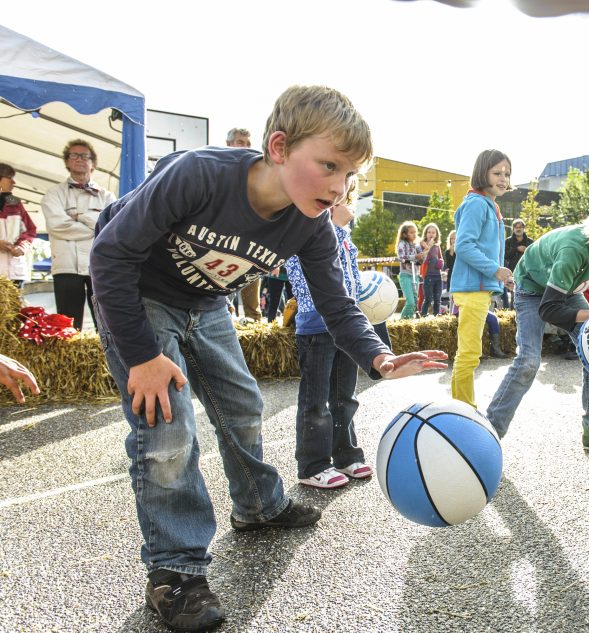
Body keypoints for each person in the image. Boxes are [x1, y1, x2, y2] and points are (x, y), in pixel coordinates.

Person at [89, 85, 447, 632]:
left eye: (349, 175)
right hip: (135, 291)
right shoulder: (198, 175)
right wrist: (141, 357)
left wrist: (379, 357)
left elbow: (334, 303)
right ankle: (174, 575)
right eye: (328, 164)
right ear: (279, 147)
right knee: (168, 430)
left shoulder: (312, 224)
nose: (339, 185)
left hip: (203, 299)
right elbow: (110, 253)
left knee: (241, 403)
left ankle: (258, 505)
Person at [486, 183, 589, 457]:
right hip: (532, 288)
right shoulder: (573, 249)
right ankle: (489, 430)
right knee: (528, 362)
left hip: (567, 290)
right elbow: (549, 310)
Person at [286, 194, 374, 489]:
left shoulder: (344, 236)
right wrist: (335, 227)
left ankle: (346, 455)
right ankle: (313, 465)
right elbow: (312, 271)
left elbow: (353, 281)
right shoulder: (304, 228)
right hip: (315, 324)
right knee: (316, 399)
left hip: (344, 326)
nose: (350, 205)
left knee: (344, 395)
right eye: (343, 199)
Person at [450, 149, 511, 408]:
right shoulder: (476, 203)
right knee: (469, 353)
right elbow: (463, 246)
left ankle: (463, 408)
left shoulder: (489, 204)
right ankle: (462, 410)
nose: (503, 178)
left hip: (480, 287)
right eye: (497, 172)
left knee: (470, 352)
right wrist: (494, 270)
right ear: (482, 173)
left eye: (507, 174)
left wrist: (499, 277)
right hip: (472, 287)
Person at [41, 139, 116, 331]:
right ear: (66, 162)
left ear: (93, 163)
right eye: (74, 155)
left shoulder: (107, 197)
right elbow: (58, 226)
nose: (79, 159)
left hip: (99, 265)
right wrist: (94, 225)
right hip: (66, 265)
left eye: (84, 156)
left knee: (106, 322)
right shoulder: (53, 194)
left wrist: (79, 216)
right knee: (67, 325)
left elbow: (110, 226)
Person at [225, 128, 263, 321]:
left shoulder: (255, 172)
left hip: (249, 245)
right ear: (229, 144)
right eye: (241, 142)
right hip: (224, 246)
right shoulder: (219, 169)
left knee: (253, 307)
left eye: (248, 143)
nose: (246, 147)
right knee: (222, 304)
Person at [0, 163, 37, 287]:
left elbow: (30, 230)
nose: (14, 182)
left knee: (15, 306)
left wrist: (22, 247)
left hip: (15, 272)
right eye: (10, 177)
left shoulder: (15, 202)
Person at [395, 221, 424, 319]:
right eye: (411, 232)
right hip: (406, 275)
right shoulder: (402, 244)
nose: (414, 234)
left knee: (415, 302)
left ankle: (409, 320)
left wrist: (422, 256)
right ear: (404, 234)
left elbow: (421, 260)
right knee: (410, 301)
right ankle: (403, 321)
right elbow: (402, 257)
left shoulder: (417, 245)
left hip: (415, 275)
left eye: (415, 232)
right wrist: (415, 256)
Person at [503, 218, 533, 309]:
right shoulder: (508, 242)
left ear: (524, 228)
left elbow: (534, 257)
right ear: (513, 229)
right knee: (512, 295)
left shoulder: (530, 242)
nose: (518, 229)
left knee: (525, 295)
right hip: (511, 272)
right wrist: (516, 249)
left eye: (520, 227)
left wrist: (526, 251)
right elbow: (504, 256)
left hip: (527, 273)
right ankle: (511, 313)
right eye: (516, 227)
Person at [419, 223, 444, 316]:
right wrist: (428, 246)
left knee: (437, 299)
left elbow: (441, 258)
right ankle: (423, 315)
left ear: (436, 234)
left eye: (433, 232)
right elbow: (421, 258)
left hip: (438, 275)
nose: (431, 234)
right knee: (428, 299)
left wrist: (441, 262)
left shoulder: (437, 246)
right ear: (426, 234)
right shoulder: (422, 245)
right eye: (429, 232)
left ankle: (436, 316)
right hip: (428, 276)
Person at [444, 230, 456, 314]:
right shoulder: (448, 252)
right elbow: (449, 265)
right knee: (451, 298)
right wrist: (452, 251)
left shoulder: (463, 251)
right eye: (452, 238)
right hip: (451, 277)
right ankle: (451, 314)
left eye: (455, 238)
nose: (453, 240)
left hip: (460, 276)